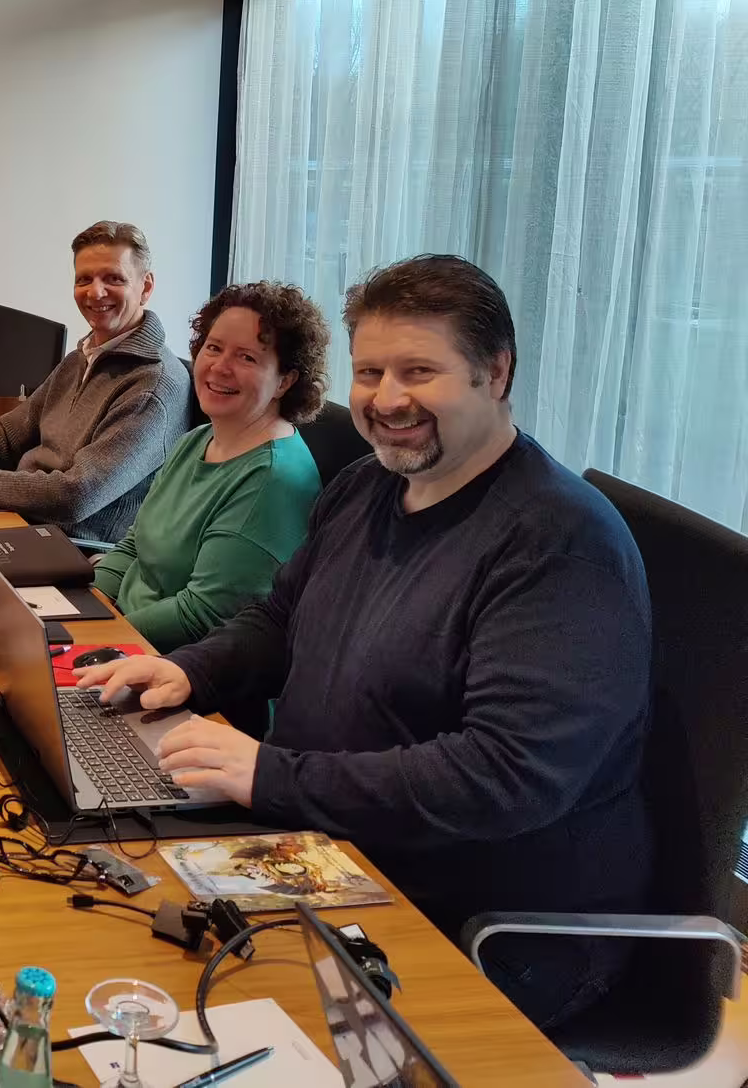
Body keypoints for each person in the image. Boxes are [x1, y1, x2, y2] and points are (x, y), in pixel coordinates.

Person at [77, 256, 651, 1030]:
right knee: (105, 922)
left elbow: (503, 776)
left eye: (419, 371)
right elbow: (281, 619)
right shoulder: (368, 486)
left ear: (496, 372)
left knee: (192, 1015)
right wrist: (187, 672)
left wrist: (272, 776)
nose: (386, 399)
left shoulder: (560, 544)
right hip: (325, 840)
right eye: (370, 372)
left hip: (476, 916)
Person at [0, 221, 191, 541]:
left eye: (114, 278)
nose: (95, 292)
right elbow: (8, 436)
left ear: (146, 287)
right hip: (21, 519)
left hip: (71, 546)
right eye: (84, 279)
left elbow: (74, 496)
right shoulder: (83, 356)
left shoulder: (152, 387)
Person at [92, 282, 326, 652]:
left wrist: (96, 638)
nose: (220, 367)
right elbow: (135, 545)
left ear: (285, 381)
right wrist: (85, 605)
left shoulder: (273, 480)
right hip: (122, 633)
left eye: (247, 358)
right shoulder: (198, 440)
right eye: (214, 348)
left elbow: (201, 616)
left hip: (172, 663)